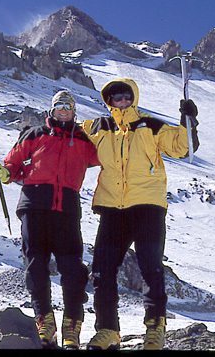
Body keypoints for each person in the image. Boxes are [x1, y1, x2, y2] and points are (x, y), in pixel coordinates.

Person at [82, 78, 199, 350]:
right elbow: (68, 138)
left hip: (147, 206)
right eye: (115, 97)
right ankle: (108, 330)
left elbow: (182, 147)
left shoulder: (151, 125)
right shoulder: (99, 127)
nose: (121, 101)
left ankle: (154, 329)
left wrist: (188, 121)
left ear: (133, 97)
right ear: (108, 100)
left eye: (125, 96)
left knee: (151, 269)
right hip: (113, 208)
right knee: (101, 271)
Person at [0, 91, 100, 350]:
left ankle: (72, 324)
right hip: (34, 204)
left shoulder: (83, 140)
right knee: (36, 265)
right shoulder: (35, 134)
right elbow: (14, 165)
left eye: (67, 106)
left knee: (72, 268)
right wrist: (4, 172)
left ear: (74, 110)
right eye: (58, 105)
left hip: (67, 209)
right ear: (51, 109)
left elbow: (105, 158)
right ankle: (44, 322)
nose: (62, 109)